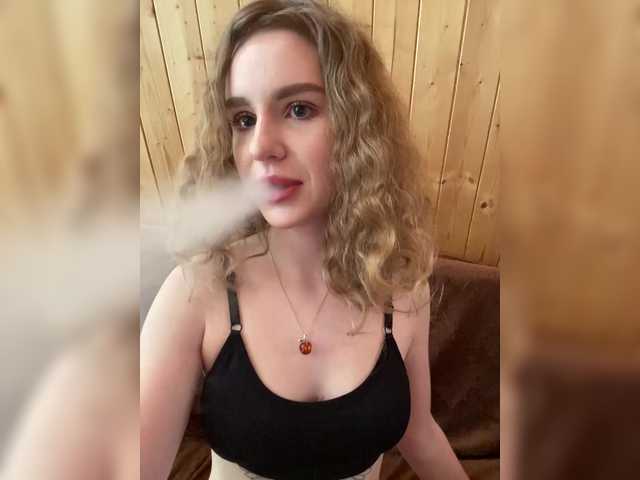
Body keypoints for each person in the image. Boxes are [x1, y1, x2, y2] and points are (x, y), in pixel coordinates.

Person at [141, 1, 469, 479]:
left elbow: (418, 430)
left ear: (359, 129)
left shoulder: (401, 287)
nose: (260, 147)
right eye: (243, 119)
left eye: (299, 109)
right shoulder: (197, 291)